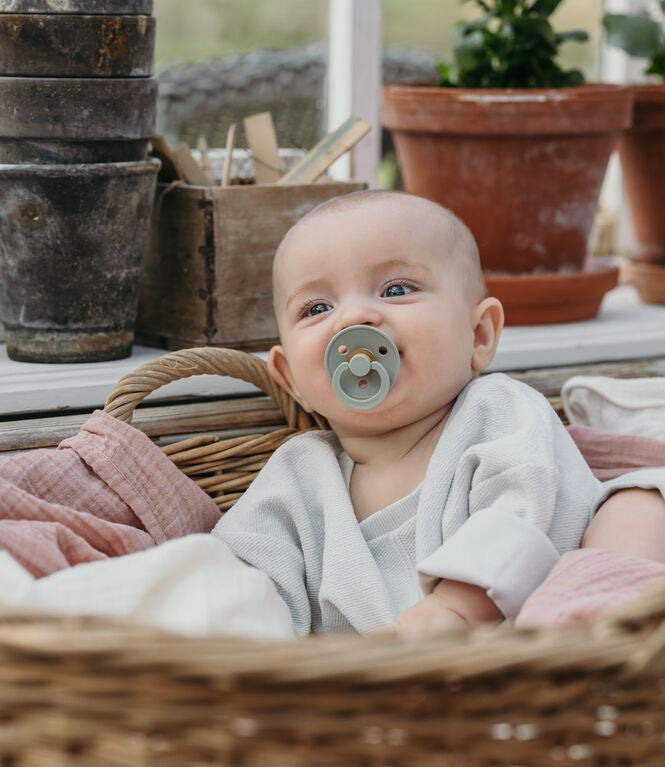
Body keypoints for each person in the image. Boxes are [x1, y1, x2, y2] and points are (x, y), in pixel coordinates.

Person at [212, 189, 665, 638]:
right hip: (365, 693)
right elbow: (244, 577)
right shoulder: (295, 477)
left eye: (395, 289)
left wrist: (455, 611)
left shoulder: (496, 411)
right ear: (291, 379)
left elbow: (521, 514)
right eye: (317, 308)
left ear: (479, 335)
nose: (353, 319)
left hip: (528, 649)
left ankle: (598, 637)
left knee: (641, 506)